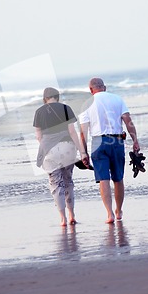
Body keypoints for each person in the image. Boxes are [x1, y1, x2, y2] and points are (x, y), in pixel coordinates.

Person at [79, 77, 140, 224]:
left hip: (98, 142)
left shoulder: (86, 104)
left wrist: (83, 152)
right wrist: (135, 140)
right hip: (117, 140)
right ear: (104, 87)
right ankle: (119, 211)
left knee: (103, 179)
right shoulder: (117, 99)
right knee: (118, 178)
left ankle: (109, 214)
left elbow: (83, 131)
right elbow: (127, 120)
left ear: (91, 90)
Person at [33, 87, 87, 227]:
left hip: (49, 150)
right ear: (57, 97)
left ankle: (62, 219)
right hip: (67, 148)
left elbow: (38, 136)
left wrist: (47, 146)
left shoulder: (39, 112)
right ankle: (72, 215)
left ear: (45, 98)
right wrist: (82, 151)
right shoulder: (65, 108)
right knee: (68, 181)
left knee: (56, 184)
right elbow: (72, 132)